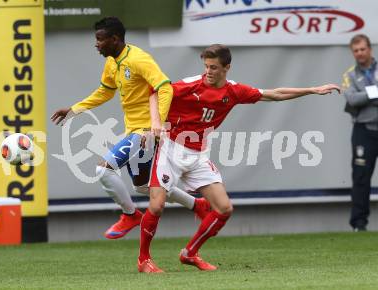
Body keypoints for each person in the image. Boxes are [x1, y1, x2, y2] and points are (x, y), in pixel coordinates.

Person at [137, 44, 340, 273]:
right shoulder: (191, 84)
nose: (208, 72)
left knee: (223, 208)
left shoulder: (233, 91)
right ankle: (144, 260)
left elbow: (274, 94)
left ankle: (190, 253)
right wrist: (153, 124)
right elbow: (155, 92)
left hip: (198, 154)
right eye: (206, 66)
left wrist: (313, 89)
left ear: (227, 67)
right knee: (157, 205)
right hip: (170, 148)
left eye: (214, 67)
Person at [50, 17, 211, 240]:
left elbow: (165, 88)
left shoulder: (139, 59)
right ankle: (198, 206)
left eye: (100, 39)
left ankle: (130, 215)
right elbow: (105, 91)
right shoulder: (112, 62)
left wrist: (156, 127)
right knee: (145, 187)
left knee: (103, 170)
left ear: (114, 39)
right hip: (133, 130)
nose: (96, 44)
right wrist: (74, 109)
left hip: (145, 132)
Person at [342, 34, 378, 232]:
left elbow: (359, 97)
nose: (360, 53)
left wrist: (365, 95)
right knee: (361, 178)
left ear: (370, 49)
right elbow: (352, 100)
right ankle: (359, 224)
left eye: (363, 49)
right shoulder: (349, 75)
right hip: (363, 130)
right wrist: (375, 93)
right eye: (356, 50)